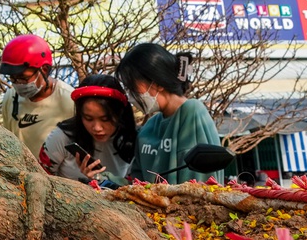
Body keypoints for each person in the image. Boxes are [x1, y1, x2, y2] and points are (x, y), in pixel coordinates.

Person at [115, 42, 223, 184]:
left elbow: (197, 188)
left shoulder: (191, 112)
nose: (130, 96)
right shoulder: (149, 127)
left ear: (158, 83)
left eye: (132, 87)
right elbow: (137, 184)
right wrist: (102, 177)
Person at [39, 74, 136, 186]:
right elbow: (40, 178)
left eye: (105, 119)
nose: (97, 128)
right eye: (88, 118)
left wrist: (100, 179)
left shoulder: (134, 141)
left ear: (120, 114)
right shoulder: (62, 136)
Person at [0, 34, 75, 156]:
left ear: (44, 69)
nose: (17, 84)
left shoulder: (69, 101)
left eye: (23, 78)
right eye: (12, 78)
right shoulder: (11, 97)